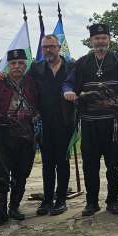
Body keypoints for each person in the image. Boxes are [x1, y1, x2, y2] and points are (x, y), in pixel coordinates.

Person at [64, 23, 118, 216]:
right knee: (90, 162)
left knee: (114, 162)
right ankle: (92, 202)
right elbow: (68, 83)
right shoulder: (82, 62)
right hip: (90, 121)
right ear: (91, 40)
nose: (100, 41)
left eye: (104, 38)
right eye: (97, 38)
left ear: (109, 39)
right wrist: (68, 91)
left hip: (115, 121)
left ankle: (112, 200)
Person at [0, 49, 41, 226]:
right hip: (2, 136)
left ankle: (14, 207)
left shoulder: (32, 82)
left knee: (21, 173)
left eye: (20, 63)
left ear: (25, 65)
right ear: (8, 65)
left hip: (26, 135)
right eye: (13, 63)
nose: (17, 66)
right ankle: (0, 212)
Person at [28, 35, 75, 216]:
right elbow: (21, 82)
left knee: (62, 162)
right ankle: (47, 199)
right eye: (44, 47)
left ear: (59, 47)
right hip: (44, 122)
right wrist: (2, 75)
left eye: (51, 47)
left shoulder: (72, 66)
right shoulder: (35, 67)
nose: (48, 50)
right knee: (47, 163)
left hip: (65, 120)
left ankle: (61, 199)